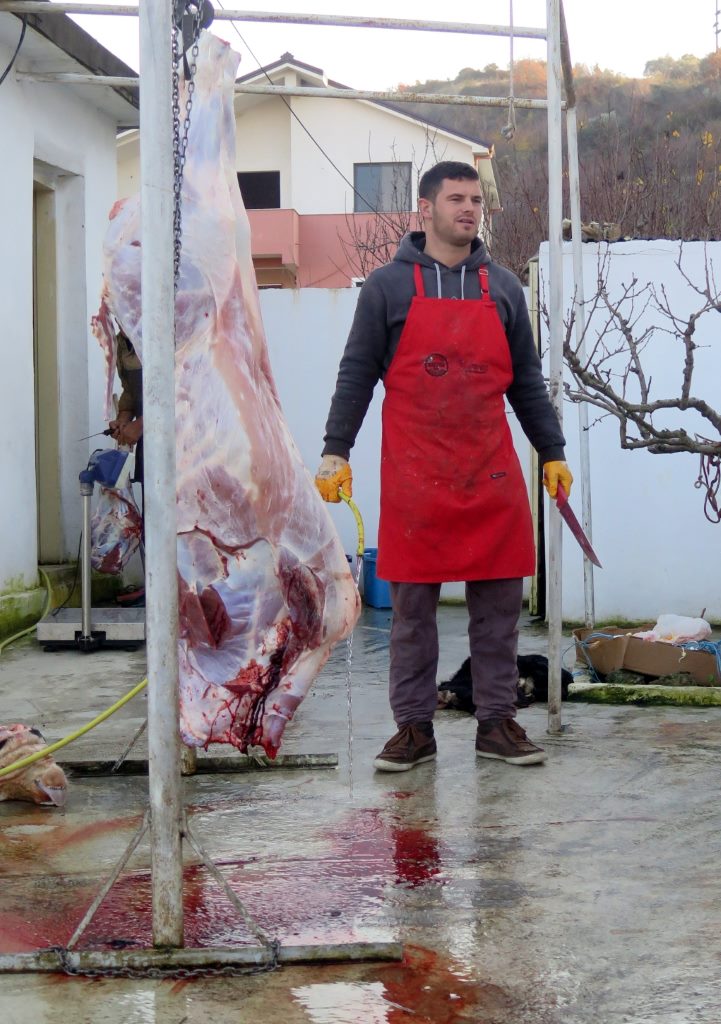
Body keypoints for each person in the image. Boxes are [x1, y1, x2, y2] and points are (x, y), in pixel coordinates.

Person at [314, 160, 573, 772]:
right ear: (424, 210)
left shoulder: (505, 289)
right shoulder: (387, 287)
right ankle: (413, 730)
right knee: (411, 617)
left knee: (498, 610)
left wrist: (554, 450)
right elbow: (356, 374)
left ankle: (497, 723)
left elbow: (528, 384)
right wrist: (335, 448)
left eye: (477, 200)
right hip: (415, 478)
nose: (469, 209)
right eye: (457, 198)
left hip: (491, 473)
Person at [108, 328, 145, 605]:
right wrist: (123, 418)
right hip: (151, 441)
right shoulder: (124, 340)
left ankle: (186, 591)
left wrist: (140, 426)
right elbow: (132, 391)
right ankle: (155, 583)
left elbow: (181, 387)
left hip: (184, 439)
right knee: (153, 512)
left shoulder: (163, 322)